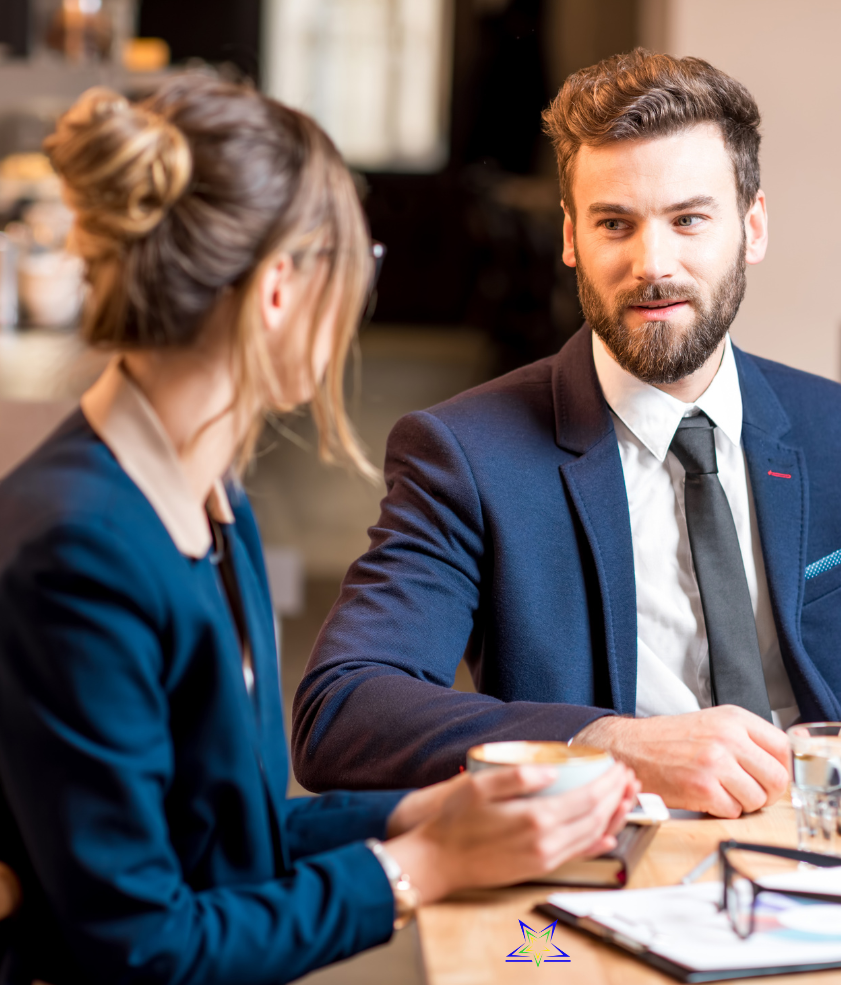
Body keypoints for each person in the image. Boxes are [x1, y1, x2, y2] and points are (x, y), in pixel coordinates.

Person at [0, 76, 638, 985]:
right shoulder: (79, 549)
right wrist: (425, 866)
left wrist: (431, 813)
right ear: (277, 288)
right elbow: (144, 947)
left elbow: (227, 840)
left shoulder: (208, 497)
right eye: (358, 262)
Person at [292, 48, 841, 816]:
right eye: (614, 224)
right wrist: (609, 741)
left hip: (830, 866)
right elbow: (342, 712)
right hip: (598, 871)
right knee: (532, 948)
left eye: (689, 219)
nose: (652, 264)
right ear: (572, 239)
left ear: (752, 226)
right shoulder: (466, 453)